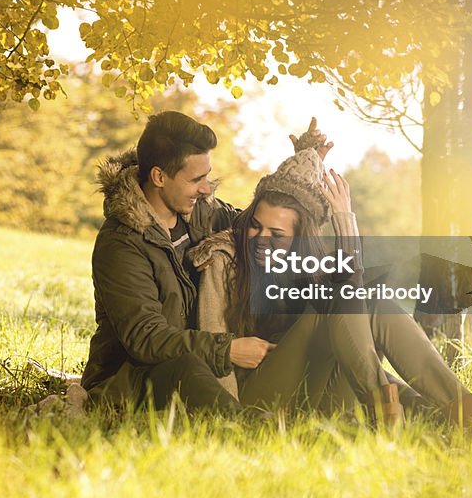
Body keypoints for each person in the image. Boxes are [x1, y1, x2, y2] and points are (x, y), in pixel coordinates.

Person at [190, 140, 472, 437]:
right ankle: (390, 413)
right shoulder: (224, 262)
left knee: (374, 306)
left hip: (312, 397)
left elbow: (352, 309)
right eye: (255, 226)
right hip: (254, 408)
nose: (261, 239)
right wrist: (229, 424)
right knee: (337, 302)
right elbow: (212, 345)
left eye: (277, 233)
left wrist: (345, 221)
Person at [80, 111, 324, 412]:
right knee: (187, 369)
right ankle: (249, 431)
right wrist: (228, 350)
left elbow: (268, 223)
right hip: (132, 381)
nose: (207, 188)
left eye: (207, 176)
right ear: (159, 177)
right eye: (196, 179)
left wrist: (305, 164)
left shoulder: (203, 213)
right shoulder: (122, 244)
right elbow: (147, 339)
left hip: (206, 365)